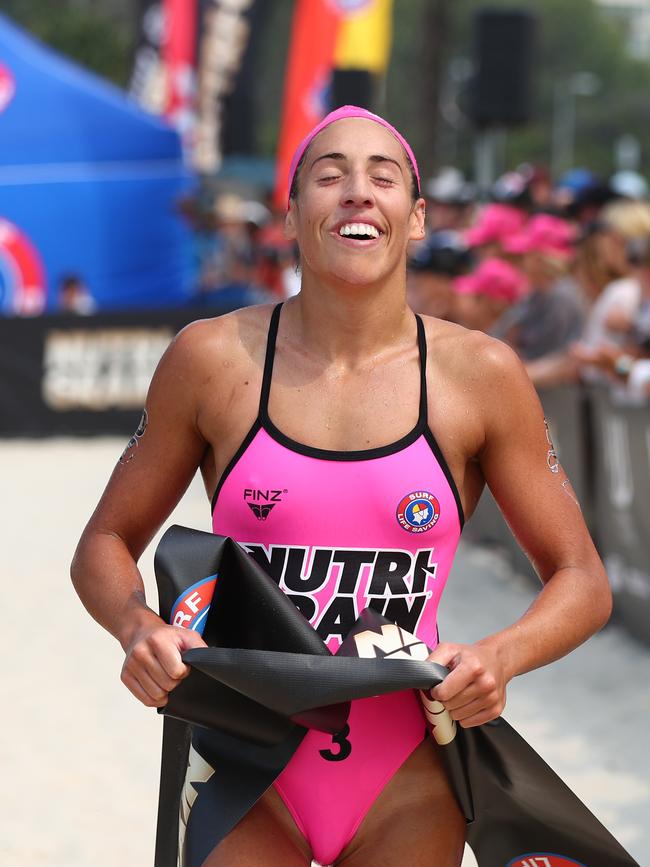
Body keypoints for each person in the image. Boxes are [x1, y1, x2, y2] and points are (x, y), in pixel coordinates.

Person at [71, 106, 612, 867]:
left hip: (408, 778)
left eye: (381, 176)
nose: (357, 191)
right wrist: (137, 628)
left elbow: (583, 576)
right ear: (291, 214)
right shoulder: (212, 358)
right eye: (329, 175)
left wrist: (503, 655)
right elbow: (103, 541)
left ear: (417, 218)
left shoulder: (480, 376)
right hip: (244, 765)